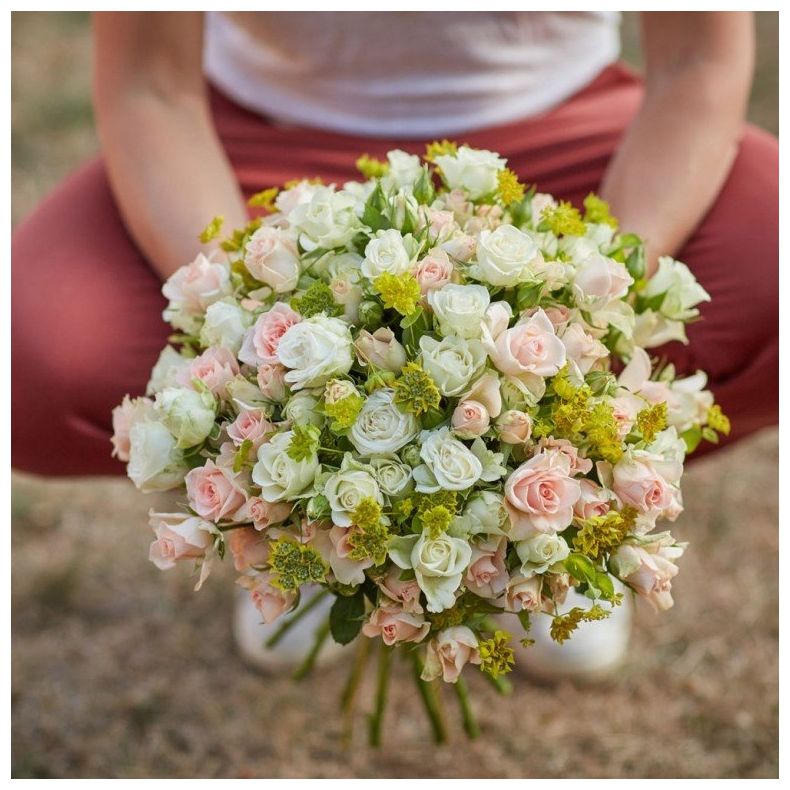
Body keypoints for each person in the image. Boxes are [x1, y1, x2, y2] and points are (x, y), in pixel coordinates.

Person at [12, 12, 778, 679]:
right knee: (37, 354)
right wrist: (248, 311)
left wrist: (590, 293)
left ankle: (560, 519)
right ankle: (303, 527)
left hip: (564, 136)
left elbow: (698, 62)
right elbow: (148, 81)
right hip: (252, 146)